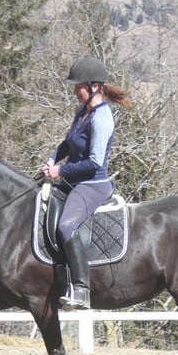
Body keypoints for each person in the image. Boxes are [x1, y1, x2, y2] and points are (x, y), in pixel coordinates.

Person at [41, 57, 131, 310]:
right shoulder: (83, 111)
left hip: (92, 185)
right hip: (71, 181)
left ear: (93, 86)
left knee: (66, 227)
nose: (74, 90)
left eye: (77, 85)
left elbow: (94, 163)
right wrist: (51, 160)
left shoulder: (102, 119)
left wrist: (59, 170)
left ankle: (81, 289)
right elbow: (68, 143)